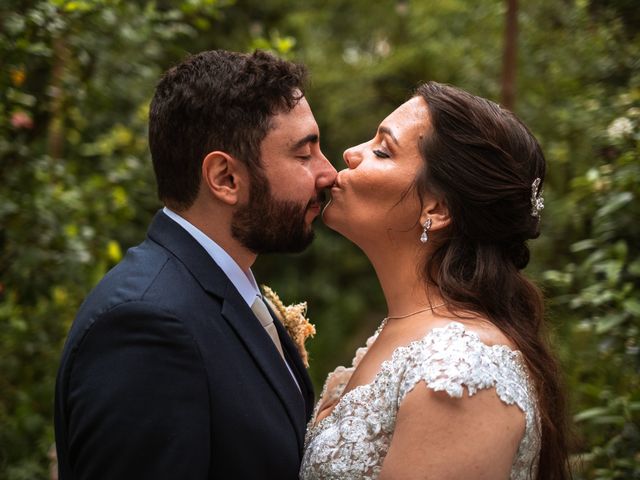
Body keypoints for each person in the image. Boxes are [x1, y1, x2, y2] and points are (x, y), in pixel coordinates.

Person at [54, 50, 336, 479]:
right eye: (304, 155)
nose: (328, 173)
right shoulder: (147, 326)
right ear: (225, 178)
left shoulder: (218, 289)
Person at [301, 82, 571, 479]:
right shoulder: (403, 336)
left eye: (381, 150)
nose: (350, 154)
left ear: (437, 208)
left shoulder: (458, 372)